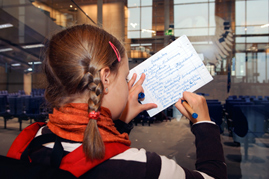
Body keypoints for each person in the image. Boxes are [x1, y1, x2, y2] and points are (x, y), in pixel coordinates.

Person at [7, 24, 227, 179]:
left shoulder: (31, 140)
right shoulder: (144, 167)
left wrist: (120, 124)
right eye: (125, 77)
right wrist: (204, 124)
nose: (128, 84)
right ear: (105, 78)